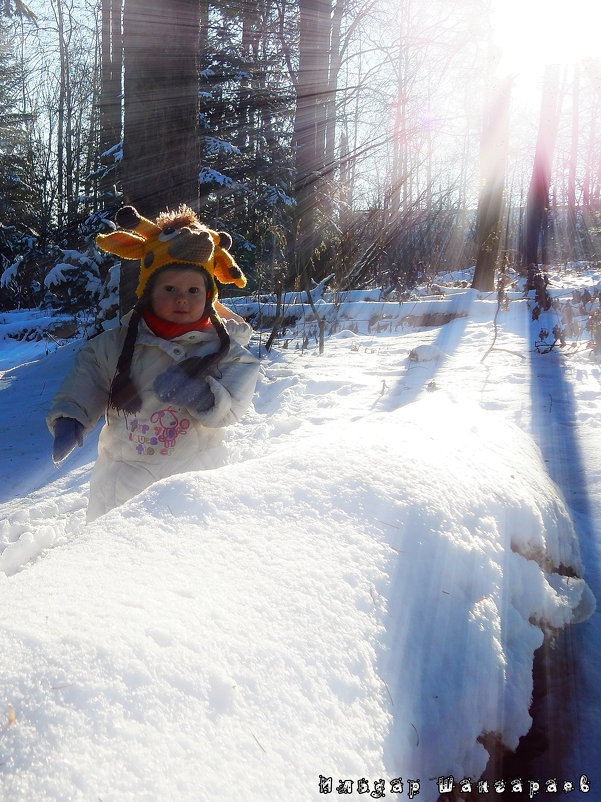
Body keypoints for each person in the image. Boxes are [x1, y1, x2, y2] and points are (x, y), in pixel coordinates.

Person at [47, 204, 260, 522]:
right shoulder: (118, 343)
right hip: (119, 481)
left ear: (208, 295)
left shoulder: (223, 348)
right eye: (169, 288)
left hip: (190, 486)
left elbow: (233, 405)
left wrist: (199, 395)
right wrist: (71, 416)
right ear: (148, 291)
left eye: (193, 290)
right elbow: (89, 373)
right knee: (109, 554)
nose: (181, 298)